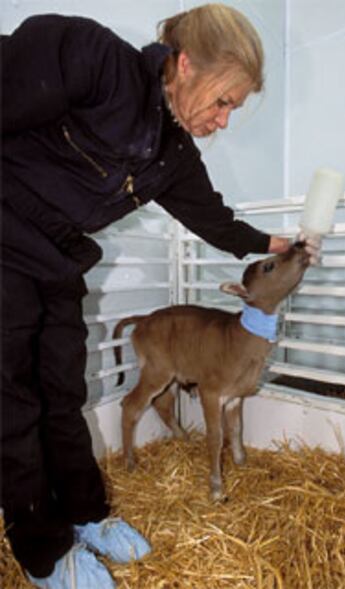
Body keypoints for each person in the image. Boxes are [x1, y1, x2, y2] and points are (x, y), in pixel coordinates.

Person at [1, 4, 320, 588]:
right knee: (12, 402)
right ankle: (43, 552)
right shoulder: (93, 59)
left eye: (235, 109)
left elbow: (217, 223)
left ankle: (84, 512)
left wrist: (284, 245)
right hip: (3, 243)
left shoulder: (171, 155)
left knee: (61, 390)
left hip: (55, 259)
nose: (225, 120)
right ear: (185, 63)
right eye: (223, 101)